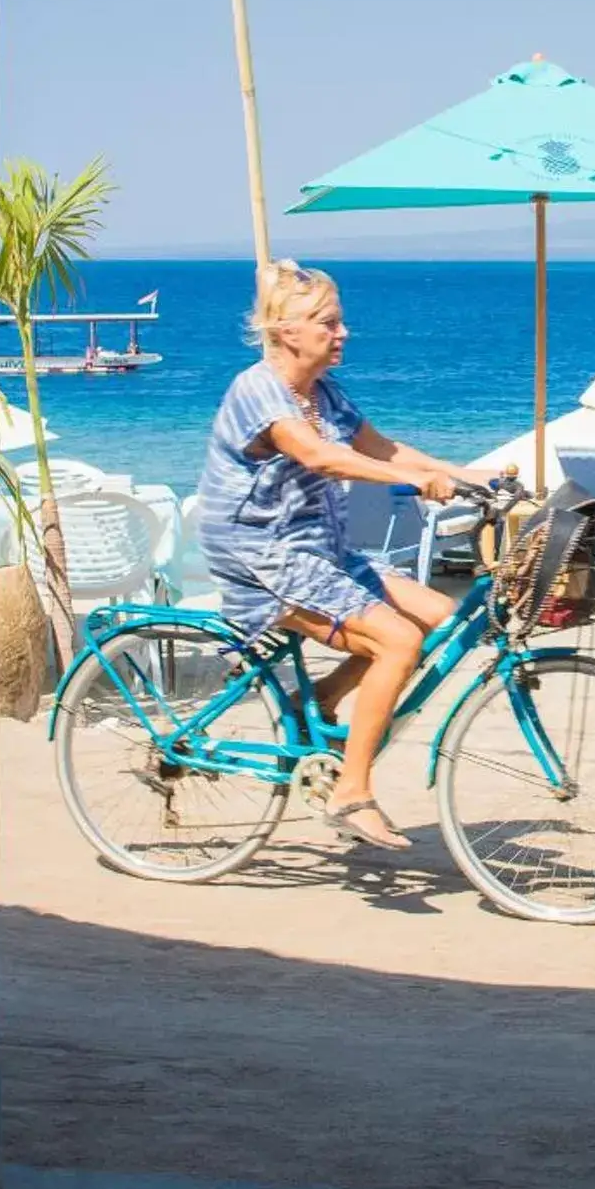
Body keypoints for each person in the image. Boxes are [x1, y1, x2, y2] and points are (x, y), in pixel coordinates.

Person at [196, 261, 473, 851]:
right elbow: (321, 458)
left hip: (319, 545)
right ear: (286, 330)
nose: (342, 333)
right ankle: (352, 792)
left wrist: (471, 476)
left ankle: (318, 699)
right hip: (260, 554)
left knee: (442, 619)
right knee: (397, 641)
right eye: (328, 323)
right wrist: (408, 480)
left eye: (340, 322)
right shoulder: (259, 391)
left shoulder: (322, 391)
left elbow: (382, 446)